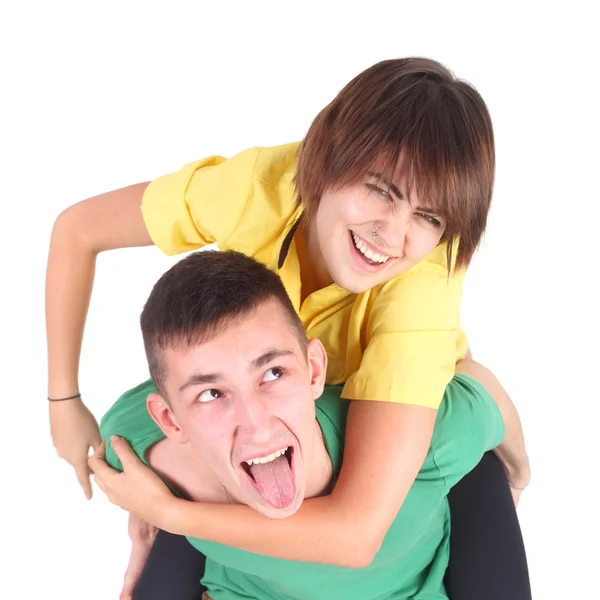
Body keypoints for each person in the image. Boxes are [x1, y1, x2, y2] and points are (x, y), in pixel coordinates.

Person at [47, 58, 531, 598]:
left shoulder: (424, 279)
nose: (392, 235)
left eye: (429, 218)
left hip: (374, 409)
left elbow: (355, 536)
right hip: (269, 397)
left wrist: (168, 510)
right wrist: (63, 401)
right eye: (380, 190)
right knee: (133, 448)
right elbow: (77, 230)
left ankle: (468, 390)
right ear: (324, 159)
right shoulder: (254, 190)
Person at [92, 249, 512, 600]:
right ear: (170, 421)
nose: (256, 426)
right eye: (212, 394)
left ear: (313, 370)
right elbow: (113, 430)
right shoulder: (142, 454)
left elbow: (476, 385)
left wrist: (521, 469)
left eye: (273, 373)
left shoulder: (426, 439)